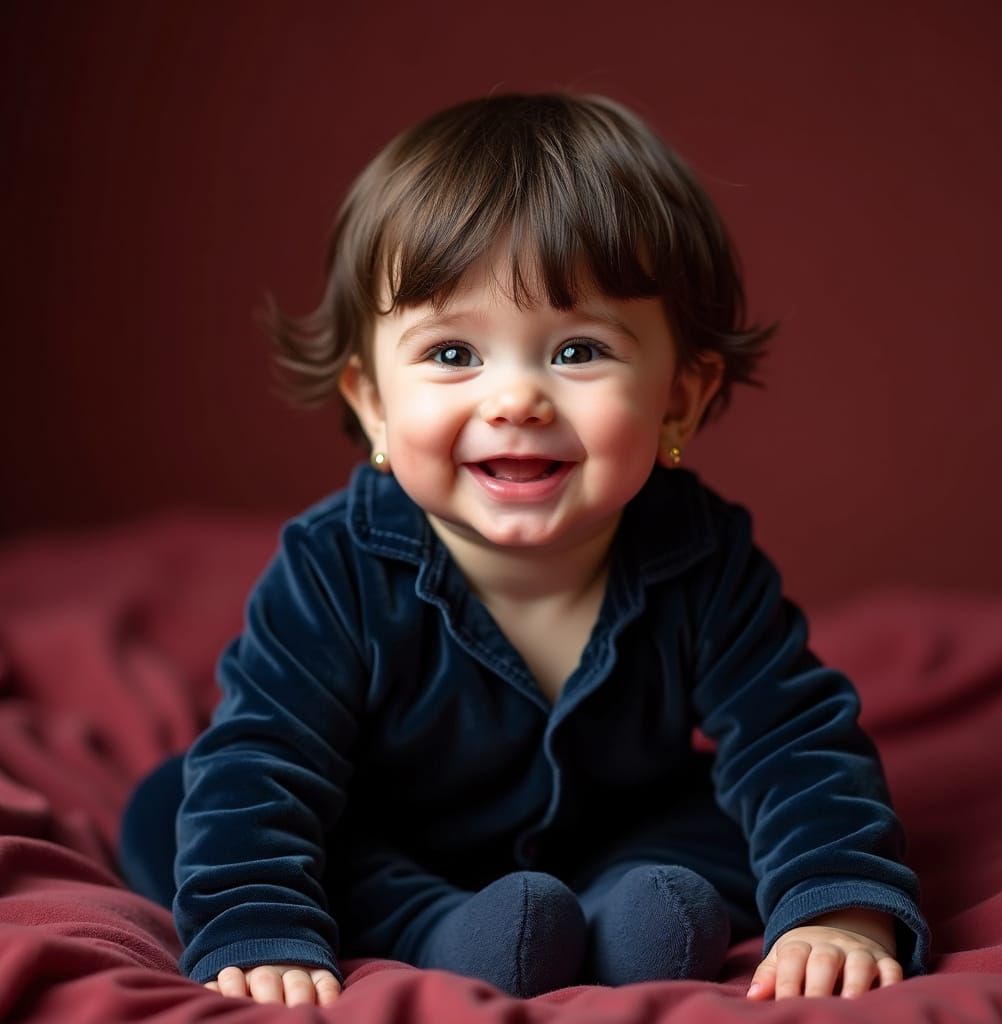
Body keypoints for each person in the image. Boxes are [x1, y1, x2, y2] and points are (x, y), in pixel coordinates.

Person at [119, 92, 930, 1007]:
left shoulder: (700, 555)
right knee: (187, 801)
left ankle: (642, 915)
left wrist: (840, 910)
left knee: (742, 814)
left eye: (578, 351)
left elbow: (793, 738)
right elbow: (267, 761)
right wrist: (254, 922)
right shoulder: (333, 568)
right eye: (455, 354)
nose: (516, 400)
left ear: (680, 401)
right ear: (371, 402)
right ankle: (446, 928)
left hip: (619, 834)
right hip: (392, 837)